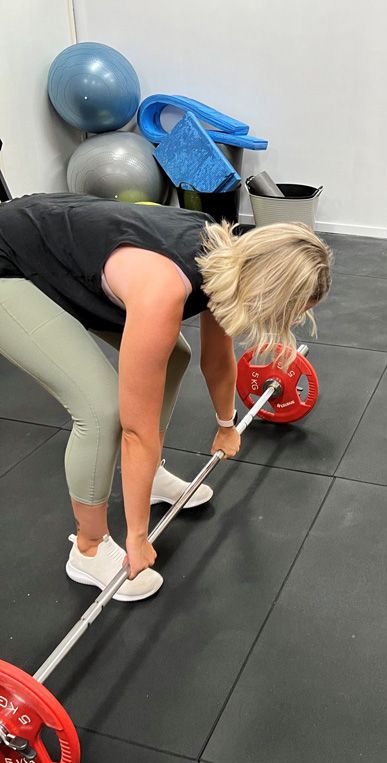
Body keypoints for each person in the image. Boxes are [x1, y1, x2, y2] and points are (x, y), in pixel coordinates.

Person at [0, 193, 331, 600]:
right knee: (103, 408)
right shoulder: (163, 289)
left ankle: (150, 477)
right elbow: (136, 430)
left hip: (59, 247)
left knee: (175, 353)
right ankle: (88, 548)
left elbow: (216, 357)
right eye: (288, 312)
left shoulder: (228, 259)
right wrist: (137, 536)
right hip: (9, 264)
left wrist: (226, 425)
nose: (288, 322)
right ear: (268, 292)